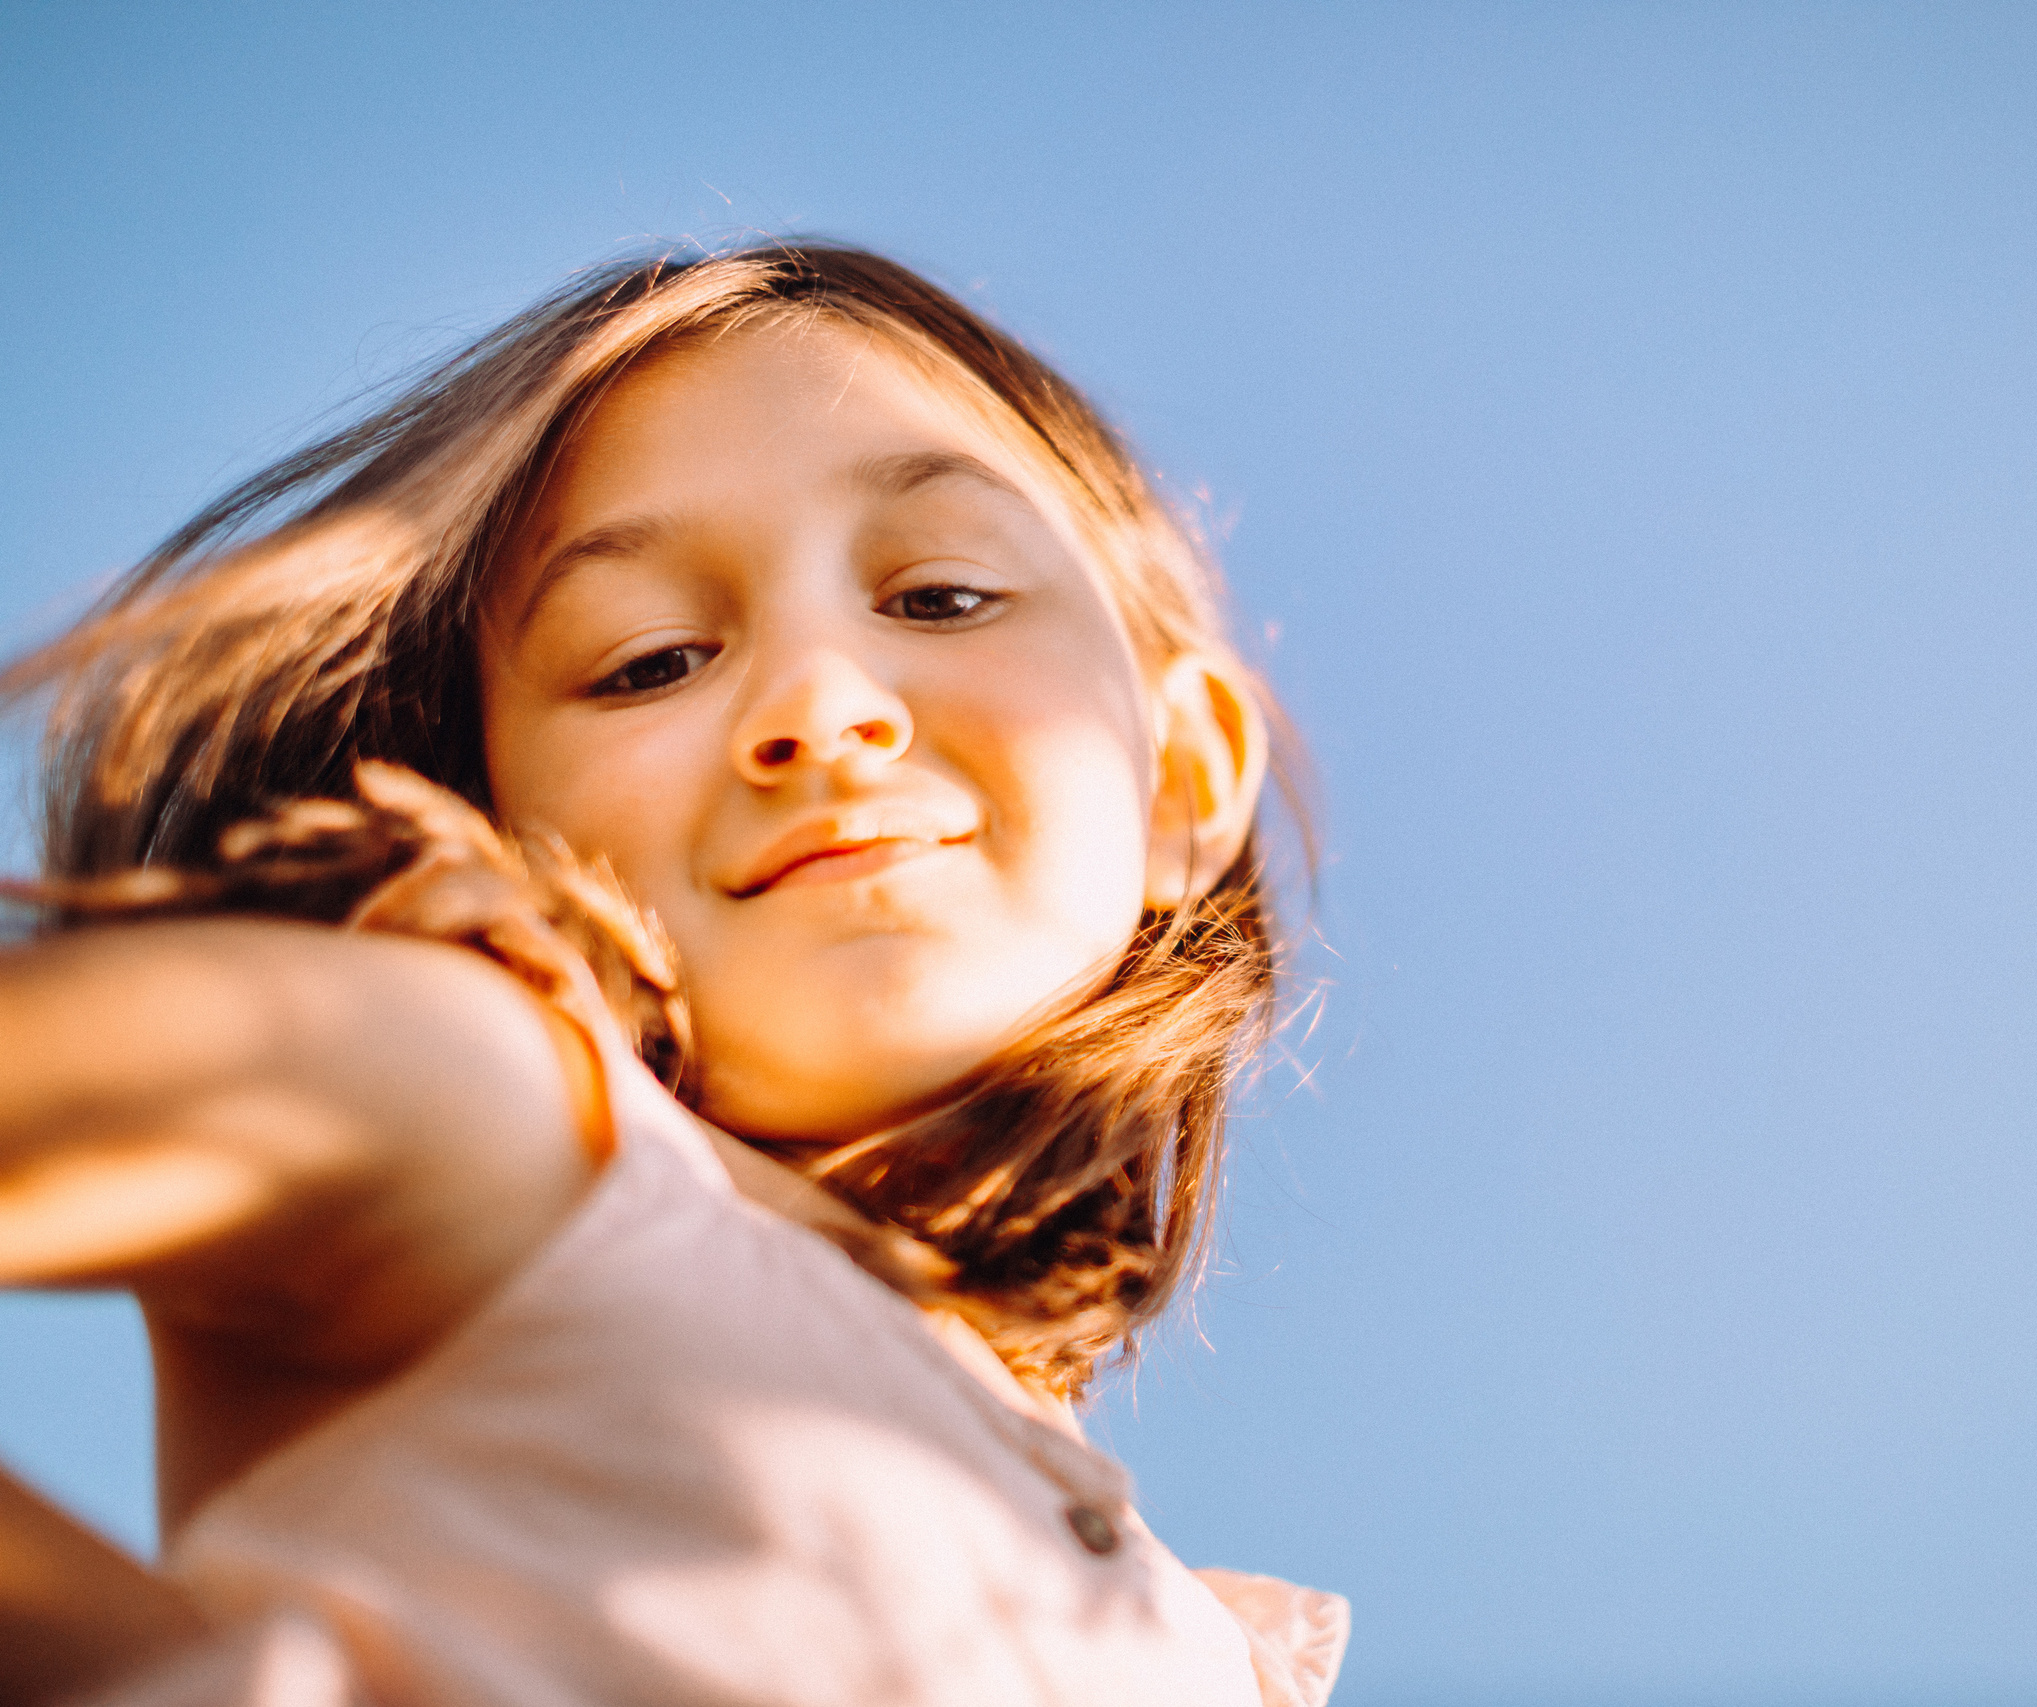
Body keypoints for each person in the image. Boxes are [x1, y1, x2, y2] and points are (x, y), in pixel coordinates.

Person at [0, 243, 1346, 1706]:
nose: (822, 709)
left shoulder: (1205, 1652)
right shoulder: (493, 1113)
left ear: (1186, 779)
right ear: (493, 802)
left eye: (943, 596)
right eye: (649, 661)